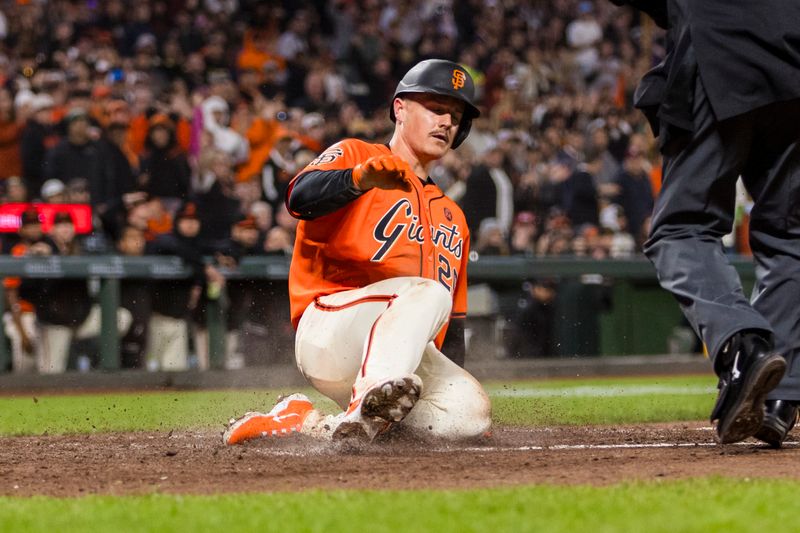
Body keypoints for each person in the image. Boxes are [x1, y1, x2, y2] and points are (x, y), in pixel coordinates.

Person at [223, 59, 492, 445]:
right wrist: (359, 178)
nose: (446, 122)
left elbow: (455, 327)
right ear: (400, 109)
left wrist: (451, 390)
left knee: (470, 415)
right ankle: (369, 401)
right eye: (435, 109)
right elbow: (299, 199)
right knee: (426, 292)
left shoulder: (455, 217)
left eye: (455, 115)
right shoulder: (356, 154)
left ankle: (309, 421)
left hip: (404, 356)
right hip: (332, 330)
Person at [612, 0, 800, 446]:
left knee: (680, 229)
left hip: (722, 54)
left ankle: (742, 347)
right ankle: (780, 398)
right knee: (791, 235)